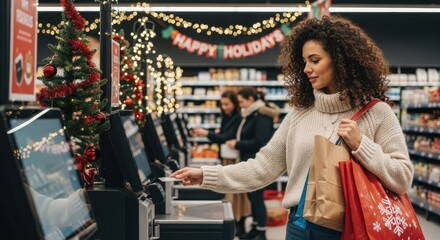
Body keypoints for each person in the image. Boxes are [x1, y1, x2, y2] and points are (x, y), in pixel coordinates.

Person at [171, 15, 413, 240]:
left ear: (341, 61)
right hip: (298, 228)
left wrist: (362, 145)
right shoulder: (300, 113)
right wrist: (206, 175)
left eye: (315, 60)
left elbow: (402, 177)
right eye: (304, 61)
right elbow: (262, 167)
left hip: (350, 229)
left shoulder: (376, 113)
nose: (307, 68)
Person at [192, 90, 252, 237]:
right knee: (232, 194)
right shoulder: (227, 117)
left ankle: (240, 225)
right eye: (222, 104)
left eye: (227, 104)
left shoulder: (237, 118)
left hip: (233, 159)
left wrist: (206, 133)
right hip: (226, 157)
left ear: (234, 104)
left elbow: (225, 138)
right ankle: (237, 224)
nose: (224, 107)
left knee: (236, 193)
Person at [223, 87, 279, 240]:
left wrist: (237, 144)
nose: (240, 105)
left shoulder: (262, 115)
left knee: (257, 197)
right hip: (249, 161)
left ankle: (261, 231)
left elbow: (260, 142)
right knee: (252, 197)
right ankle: (255, 227)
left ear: (250, 100)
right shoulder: (250, 114)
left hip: (257, 162)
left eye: (242, 101)